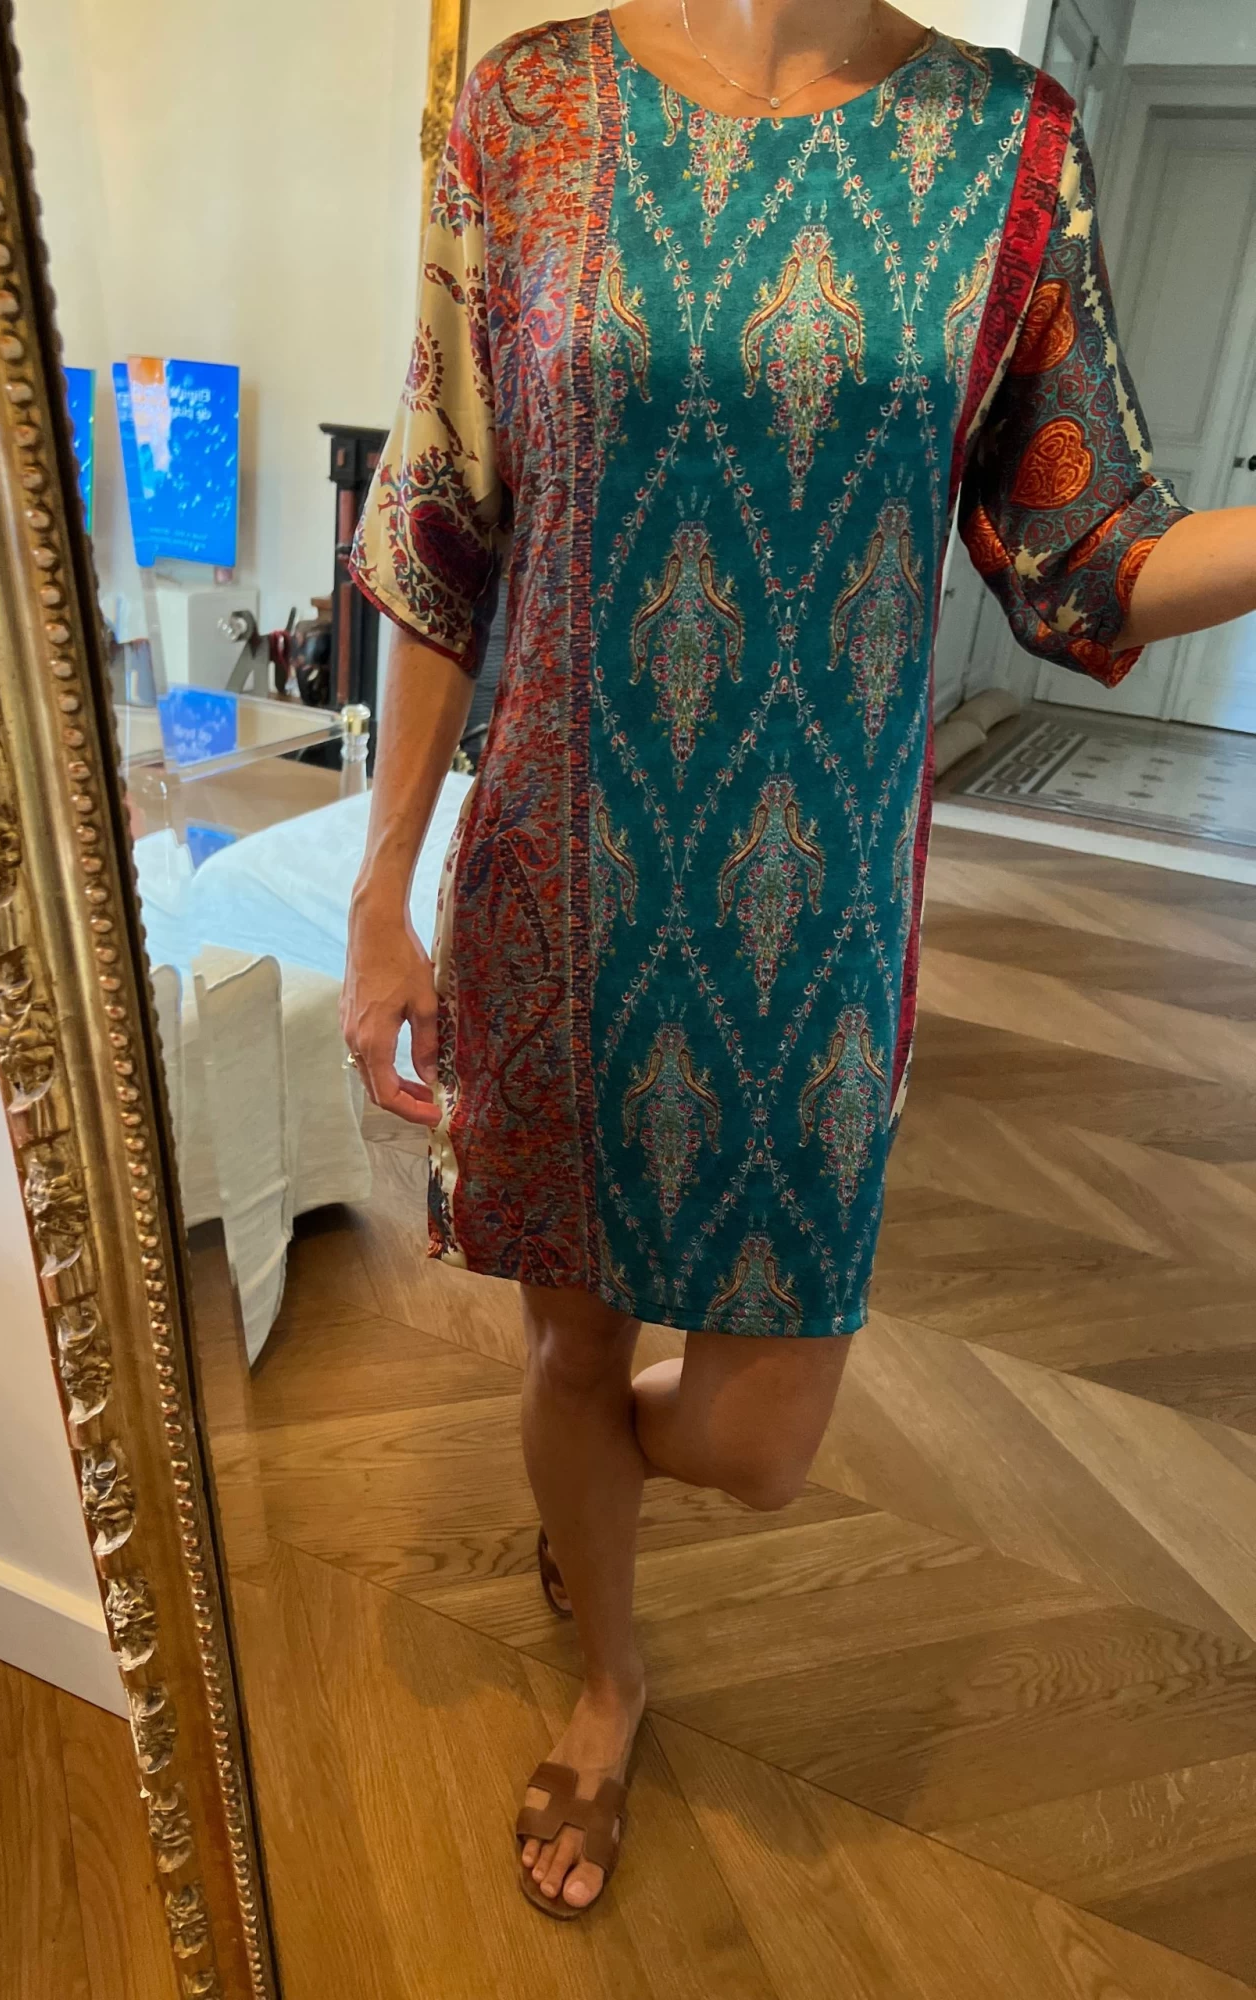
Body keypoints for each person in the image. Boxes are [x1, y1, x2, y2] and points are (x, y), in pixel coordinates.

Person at [342, 0, 1256, 1919]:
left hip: (817, 903)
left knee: (764, 1441)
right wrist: (381, 886)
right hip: (562, 874)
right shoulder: (531, 108)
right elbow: (440, 521)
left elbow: (1089, 557)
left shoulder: (1010, 147)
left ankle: (585, 1503)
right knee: (571, 1339)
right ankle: (610, 1674)